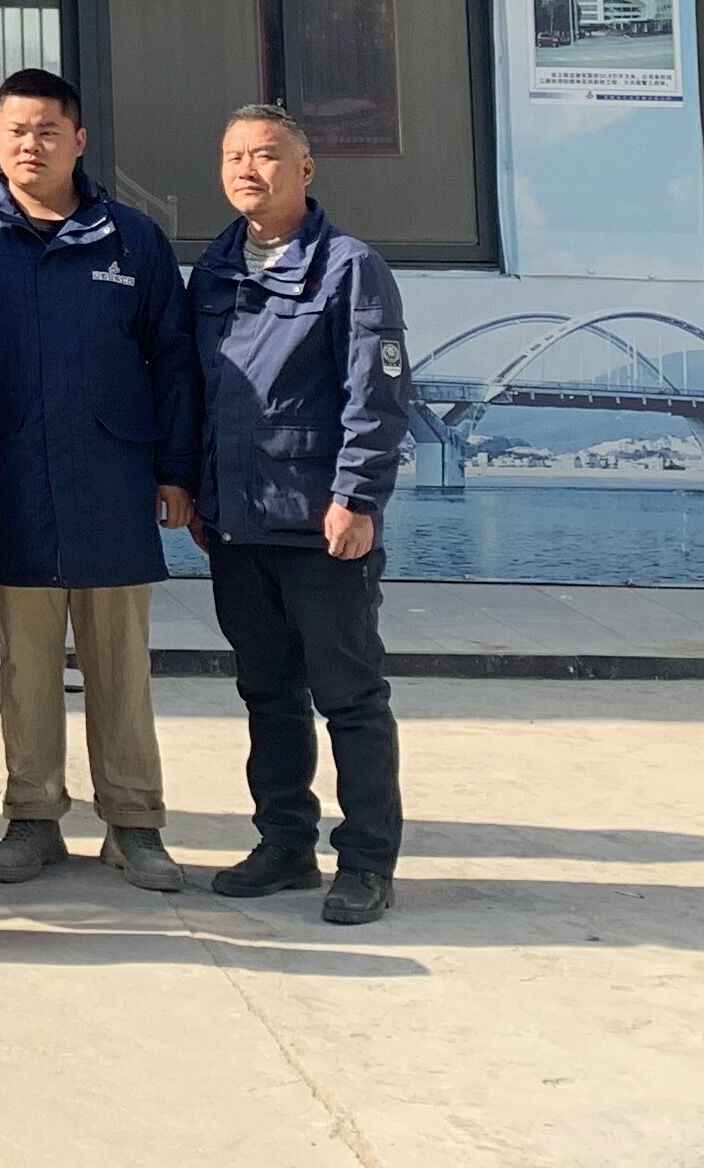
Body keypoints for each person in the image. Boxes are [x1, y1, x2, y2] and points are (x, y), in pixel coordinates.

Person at [0, 68, 199, 895]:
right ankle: (32, 816)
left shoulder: (131, 240)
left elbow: (174, 361)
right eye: (15, 130)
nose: (31, 145)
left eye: (48, 130)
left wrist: (175, 470)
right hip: (9, 478)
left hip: (112, 476)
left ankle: (134, 821)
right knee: (25, 665)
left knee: (120, 662)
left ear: (78, 141)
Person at [188, 101, 411, 927]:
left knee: (349, 696)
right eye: (234, 157)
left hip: (320, 527)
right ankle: (285, 844)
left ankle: (367, 862)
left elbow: (375, 395)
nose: (248, 170)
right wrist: (194, 488)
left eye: (267, 155)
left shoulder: (350, 269)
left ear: (305, 170)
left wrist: (357, 497)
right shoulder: (215, 270)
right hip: (236, 524)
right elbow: (196, 391)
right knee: (267, 693)